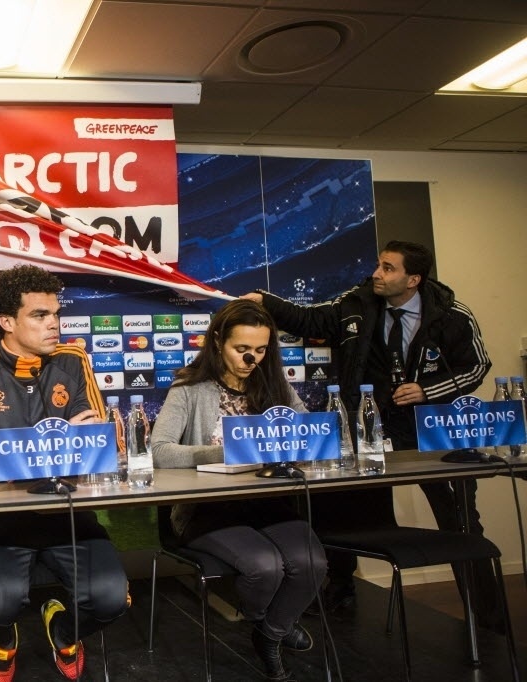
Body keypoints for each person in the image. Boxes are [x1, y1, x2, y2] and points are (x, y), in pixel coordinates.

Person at [241, 240, 501, 629]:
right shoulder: (357, 303)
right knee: (346, 509)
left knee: (460, 519)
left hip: (432, 431)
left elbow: (477, 366)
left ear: (413, 279)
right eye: (379, 265)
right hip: (369, 428)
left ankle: (488, 622)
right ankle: (340, 590)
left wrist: (428, 390)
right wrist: (265, 301)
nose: (377, 274)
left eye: (388, 268)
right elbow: (311, 321)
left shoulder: (452, 315)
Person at [0, 264, 130, 681]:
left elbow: (102, 449)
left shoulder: (73, 358)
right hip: (1, 518)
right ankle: (3, 639)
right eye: (40, 315)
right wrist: (66, 445)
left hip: (69, 514)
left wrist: (6, 461)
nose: (54, 324)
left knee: (111, 600)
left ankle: (63, 631)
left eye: (56, 314)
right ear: (6, 322)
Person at [151, 299, 327, 682]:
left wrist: (304, 438)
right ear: (218, 342)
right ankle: (269, 620)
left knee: (312, 564)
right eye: (242, 349)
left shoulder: (274, 384)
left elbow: (307, 432)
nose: (251, 359)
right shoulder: (189, 388)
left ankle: (270, 633)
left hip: (268, 504)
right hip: (208, 509)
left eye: (260, 350)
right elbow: (160, 450)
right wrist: (229, 449)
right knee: (264, 567)